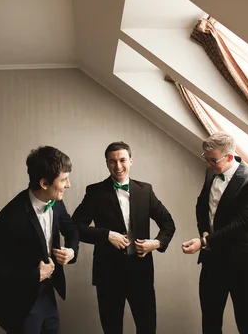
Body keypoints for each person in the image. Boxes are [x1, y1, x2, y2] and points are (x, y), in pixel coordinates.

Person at [72, 141, 176, 334]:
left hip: (141, 272)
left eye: (122, 160)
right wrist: (106, 235)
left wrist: (156, 243)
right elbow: (75, 227)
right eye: (112, 161)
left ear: (131, 160)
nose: (118, 166)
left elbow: (168, 223)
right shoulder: (95, 192)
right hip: (108, 274)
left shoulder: (145, 190)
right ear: (106, 163)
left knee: (147, 329)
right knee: (112, 329)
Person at [0, 146, 79, 334]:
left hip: (49, 296)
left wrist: (71, 251)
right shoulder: (8, 219)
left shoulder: (56, 201)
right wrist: (35, 275)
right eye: (64, 180)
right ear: (44, 183)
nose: (68, 185)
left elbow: (71, 229)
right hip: (20, 305)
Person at [182, 132, 248, 334]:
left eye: (212, 160)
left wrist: (203, 242)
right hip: (212, 263)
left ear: (229, 157)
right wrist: (203, 233)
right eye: (206, 158)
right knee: (210, 323)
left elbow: (241, 224)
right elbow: (202, 206)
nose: (208, 164)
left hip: (241, 266)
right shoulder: (210, 172)